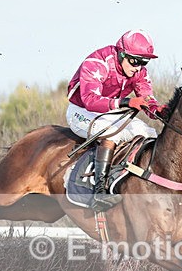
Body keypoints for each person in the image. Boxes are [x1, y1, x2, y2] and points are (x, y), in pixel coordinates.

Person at [66, 29, 165, 211]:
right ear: (121, 54)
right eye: (135, 61)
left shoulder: (139, 71)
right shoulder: (97, 63)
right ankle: (100, 191)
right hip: (81, 111)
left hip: (112, 112)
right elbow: (90, 100)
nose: (138, 67)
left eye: (144, 62)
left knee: (149, 133)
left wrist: (158, 109)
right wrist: (127, 101)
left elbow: (146, 97)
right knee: (111, 133)